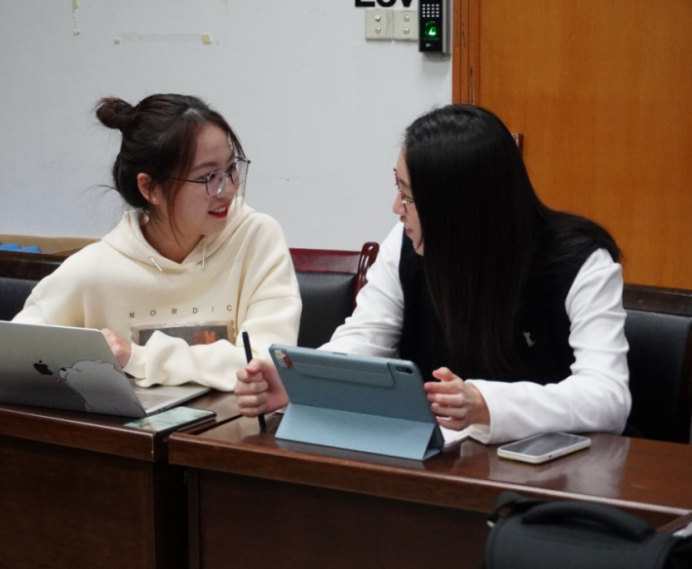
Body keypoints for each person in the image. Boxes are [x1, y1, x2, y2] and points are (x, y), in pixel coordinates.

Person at [235, 104, 631, 444]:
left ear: (456, 209)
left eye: (408, 196)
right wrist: (299, 381)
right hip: (443, 461)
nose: (396, 208)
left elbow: (608, 396)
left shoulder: (579, 262)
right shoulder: (405, 242)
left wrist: (486, 403)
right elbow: (367, 337)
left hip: (553, 475)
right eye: (398, 188)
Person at [15, 94, 301, 391]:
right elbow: (14, 353)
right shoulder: (94, 269)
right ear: (150, 187)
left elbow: (268, 365)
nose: (228, 190)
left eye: (231, 169)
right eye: (208, 177)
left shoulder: (256, 237)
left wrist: (137, 358)